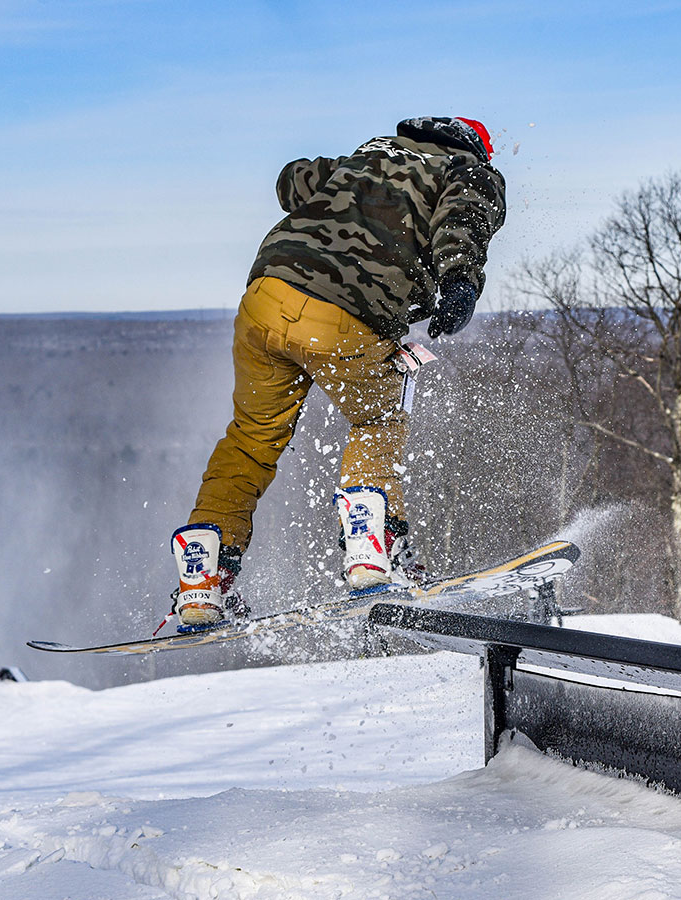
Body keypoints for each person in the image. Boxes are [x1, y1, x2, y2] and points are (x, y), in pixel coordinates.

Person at [166, 116, 506, 631]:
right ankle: (371, 551)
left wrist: (348, 175)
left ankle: (202, 580)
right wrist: (460, 283)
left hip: (266, 297)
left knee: (251, 439)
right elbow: (463, 219)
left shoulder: (366, 155)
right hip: (345, 313)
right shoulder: (467, 169)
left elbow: (291, 179)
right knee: (380, 419)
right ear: (478, 150)